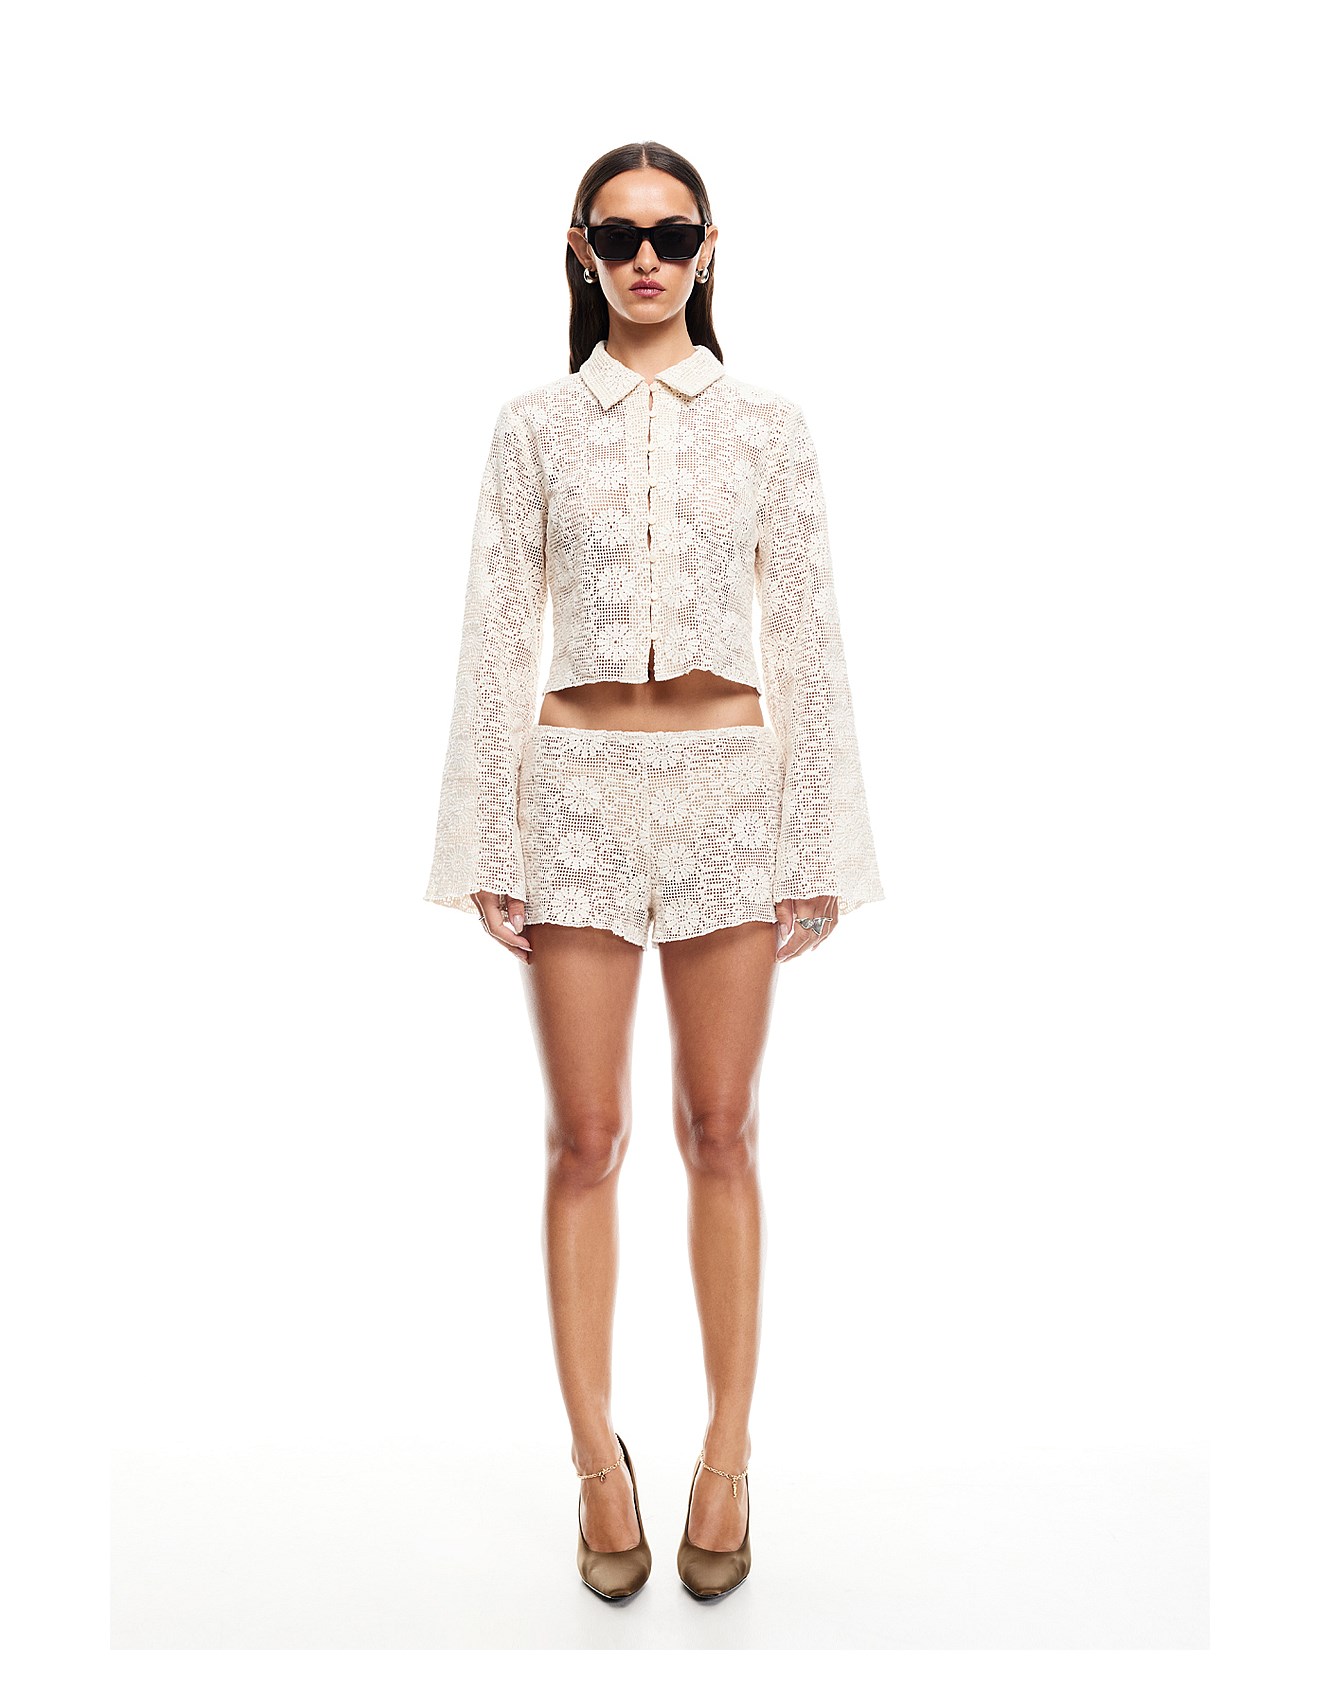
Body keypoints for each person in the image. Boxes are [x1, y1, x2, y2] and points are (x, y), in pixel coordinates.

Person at [422, 140, 885, 1601]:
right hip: (573, 798)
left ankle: (727, 1457)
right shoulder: (533, 429)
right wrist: (486, 835)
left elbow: (805, 635)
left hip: (729, 798)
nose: (646, 259)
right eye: (620, 236)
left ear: (707, 248)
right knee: (585, 1140)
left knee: (723, 1129)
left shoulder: (769, 429)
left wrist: (816, 838)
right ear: (580, 248)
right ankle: (597, 1464)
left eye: (671, 235)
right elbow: (497, 633)